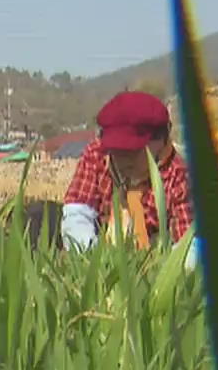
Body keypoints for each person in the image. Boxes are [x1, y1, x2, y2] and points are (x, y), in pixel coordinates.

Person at [25, 91, 197, 259]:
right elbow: (78, 211)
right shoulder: (97, 153)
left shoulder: (179, 176)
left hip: (151, 251)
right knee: (40, 215)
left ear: (160, 141)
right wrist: (91, 259)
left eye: (133, 151)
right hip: (100, 237)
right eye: (117, 151)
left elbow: (187, 246)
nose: (123, 160)